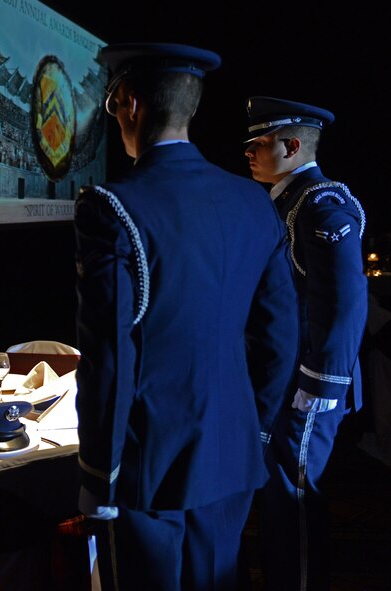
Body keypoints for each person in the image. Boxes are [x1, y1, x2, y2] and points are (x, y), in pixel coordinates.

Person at [74, 43, 299, 590]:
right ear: (190, 109)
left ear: (128, 105)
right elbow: (281, 338)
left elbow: (111, 356)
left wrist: (99, 478)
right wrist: (255, 428)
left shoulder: (112, 205)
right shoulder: (254, 203)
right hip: (233, 456)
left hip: (153, 469)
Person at [243, 96, 368, 590]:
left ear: (292, 144)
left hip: (308, 385)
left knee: (293, 501)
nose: (249, 152)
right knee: (278, 499)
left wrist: (320, 387)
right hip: (286, 379)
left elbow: (344, 303)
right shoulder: (289, 200)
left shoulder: (320, 203)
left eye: (260, 142)